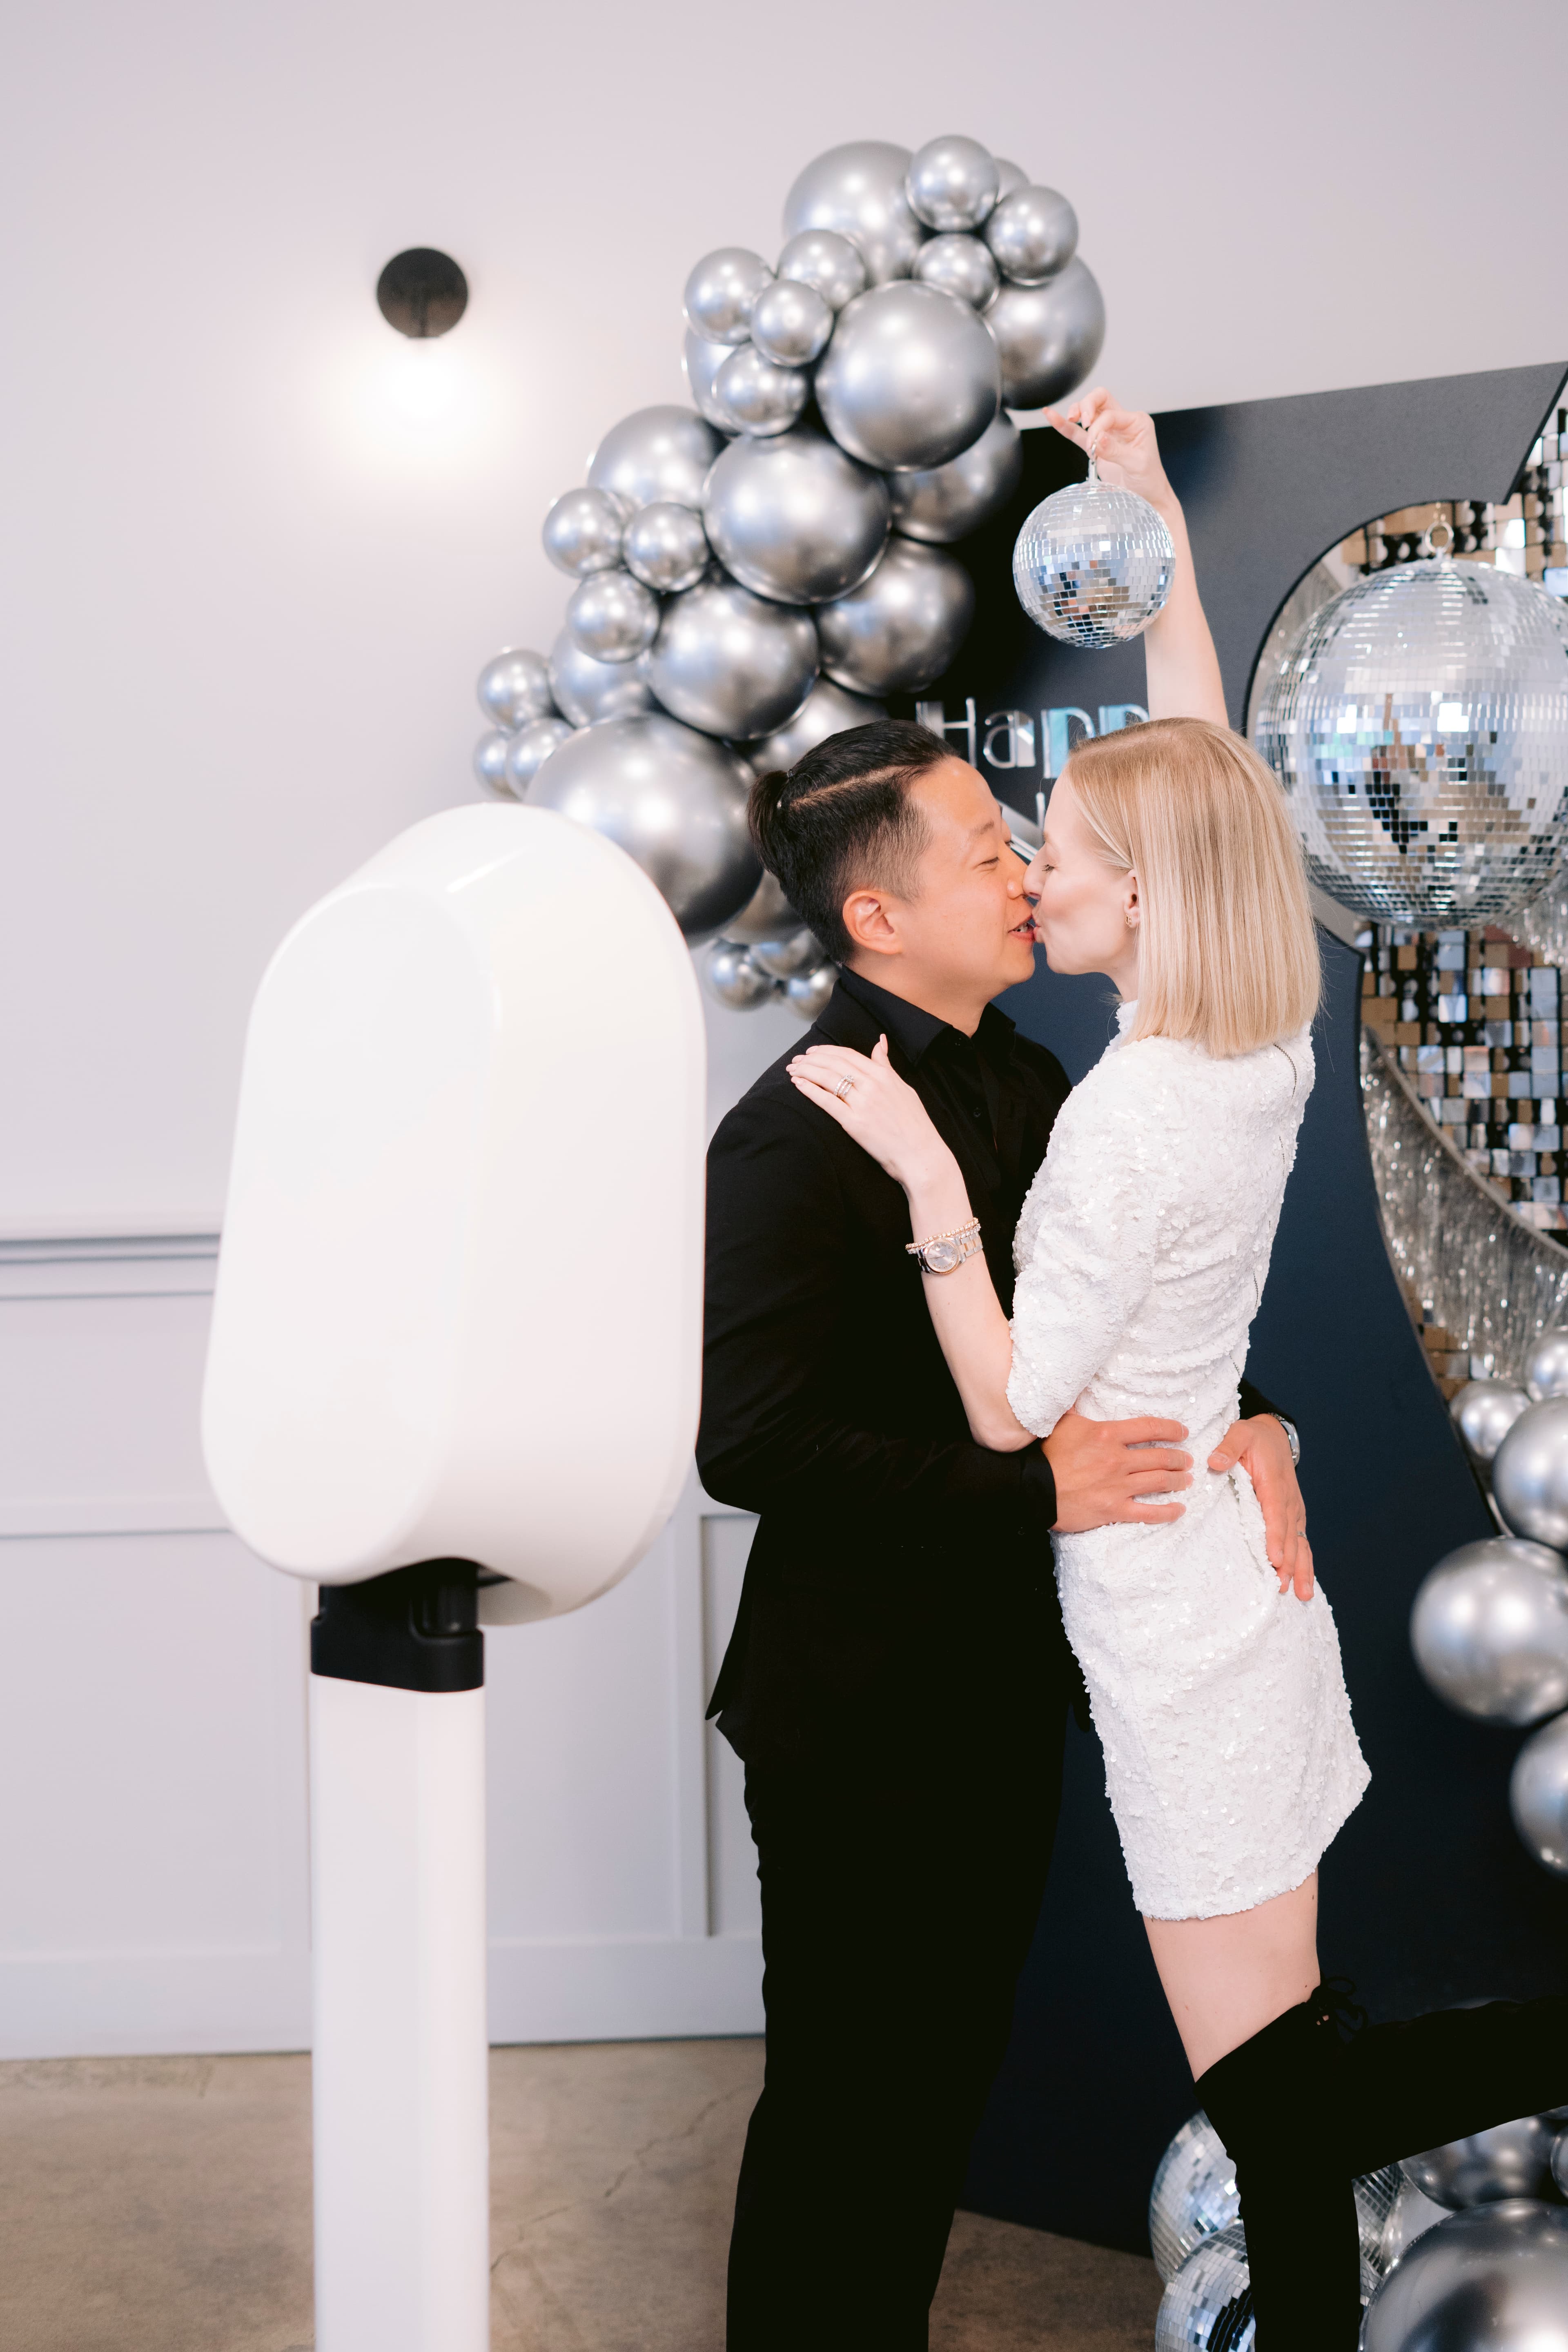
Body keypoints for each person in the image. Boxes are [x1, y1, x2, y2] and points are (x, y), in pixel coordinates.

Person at [786, 408, 1568, 2352]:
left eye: (1056, 852)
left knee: (1273, 2102)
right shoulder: (1256, 1053)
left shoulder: (1137, 1117)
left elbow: (1002, 1407)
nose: (1034, 873)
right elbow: (1208, 772)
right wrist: (1153, 536)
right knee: (1295, 2103)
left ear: (1136, 891)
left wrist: (926, 1193)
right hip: (1238, 1585)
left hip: (1174, 1620)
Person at [698, 391, 1312, 2351]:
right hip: (858, 1705)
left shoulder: (1044, 1078)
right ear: (881, 914)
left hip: (997, 1685)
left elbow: (1145, 1301)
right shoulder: (792, 1135)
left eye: (1035, 843)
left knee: (936, 2103)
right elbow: (754, 1440)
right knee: (848, 2119)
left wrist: (1261, 1418)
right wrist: (1023, 1487)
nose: (1028, 872)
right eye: (991, 849)